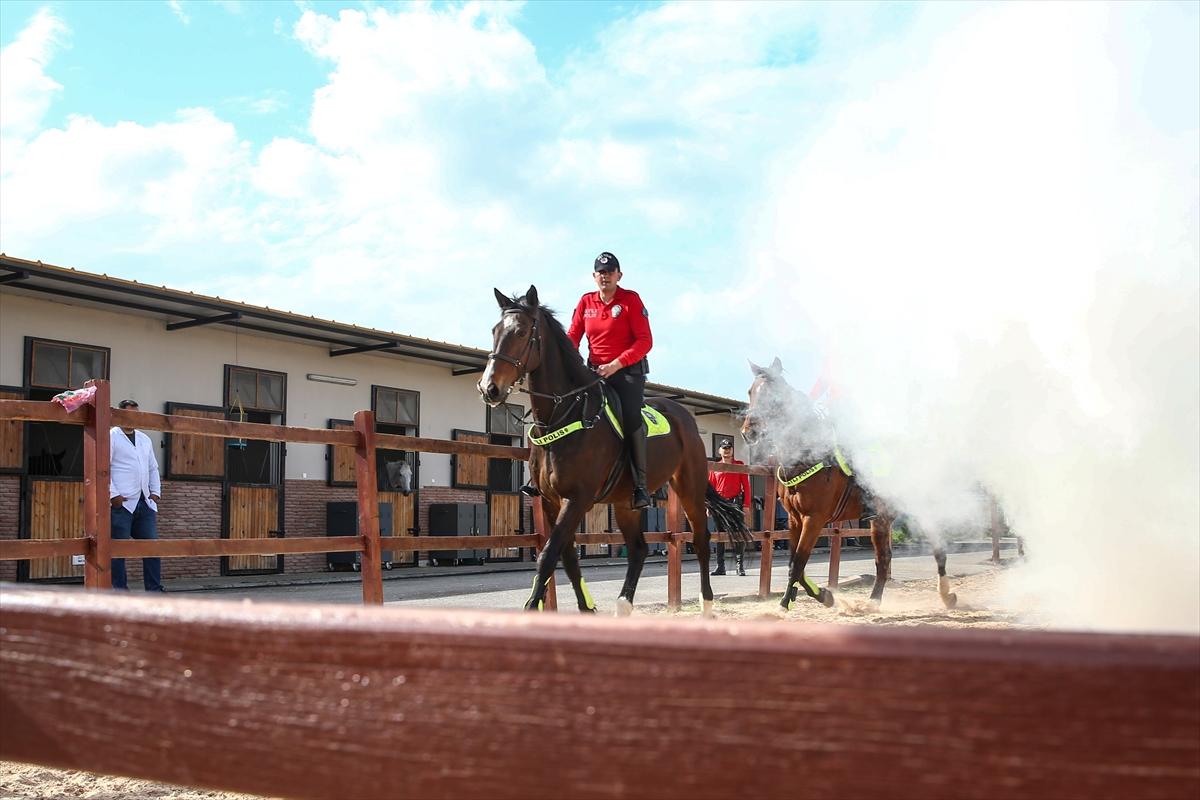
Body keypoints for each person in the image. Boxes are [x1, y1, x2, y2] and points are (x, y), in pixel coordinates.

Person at [566, 251, 654, 509]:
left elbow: (645, 341)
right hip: (594, 372)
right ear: (594, 276)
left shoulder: (631, 300)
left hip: (626, 373)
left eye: (610, 272)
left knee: (630, 417)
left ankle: (640, 485)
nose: (605, 276)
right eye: (600, 272)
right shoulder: (586, 302)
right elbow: (573, 336)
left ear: (619, 275)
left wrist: (616, 364)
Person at [109, 399, 164, 592]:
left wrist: (155, 492)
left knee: (152, 548)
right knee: (118, 551)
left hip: (144, 502)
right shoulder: (112, 436)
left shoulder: (144, 439)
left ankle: (154, 589)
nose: (133, 418)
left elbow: (153, 467)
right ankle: (119, 590)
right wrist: (113, 495)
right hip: (122, 504)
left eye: (136, 414)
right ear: (119, 414)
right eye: (128, 414)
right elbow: (103, 468)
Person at [709, 439, 751, 575]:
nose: (726, 450)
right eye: (724, 448)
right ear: (719, 450)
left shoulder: (739, 465)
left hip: (735, 503)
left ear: (732, 450)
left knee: (738, 533)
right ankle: (720, 566)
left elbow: (746, 486)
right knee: (720, 535)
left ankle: (740, 566)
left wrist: (746, 504)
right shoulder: (715, 466)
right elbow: (710, 488)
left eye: (729, 448)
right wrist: (709, 506)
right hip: (719, 504)